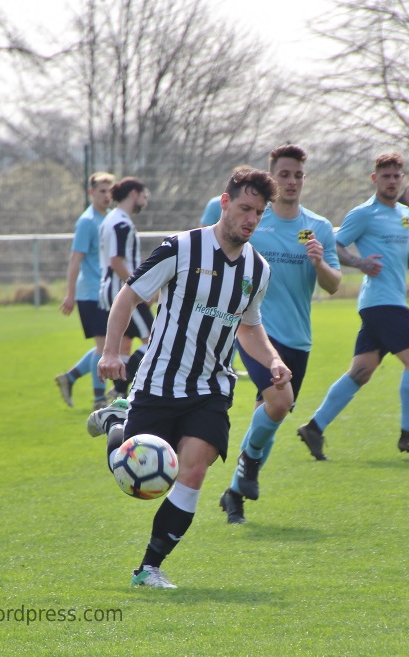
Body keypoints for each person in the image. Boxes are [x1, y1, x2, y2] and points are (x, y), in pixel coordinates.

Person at [96, 167, 290, 589]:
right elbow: (128, 296)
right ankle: (116, 423)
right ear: (225, 202)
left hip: (211, 387)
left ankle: (149, 568)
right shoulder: (181, 248)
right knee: (132, 477)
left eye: (259, 213)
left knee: (194, 470)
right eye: (245, 208)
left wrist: (273, 360)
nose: (251, 219)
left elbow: (249, 327)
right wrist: (111, 352)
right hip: (158, 381)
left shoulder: (257, 270)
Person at [218, 144, 341, 525]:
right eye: (284, 174)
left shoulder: (317, 228)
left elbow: (334, 285)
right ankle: (248, 469)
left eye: (298, 175)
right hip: (255, 330)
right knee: (279, 401)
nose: (291, 182)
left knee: (271, 413)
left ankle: (235, 493)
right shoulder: (254, 220)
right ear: (272, 177)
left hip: (298, 338)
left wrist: (319, 263)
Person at [296, 153, 409, 460]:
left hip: (387, 301)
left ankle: (314, 427)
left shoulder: (405, 215)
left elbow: (403, 262)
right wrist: (359, 262)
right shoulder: (364, 213)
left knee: (361, 371)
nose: (391, 181)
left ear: (402, 179)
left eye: (396, 176)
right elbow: (335, 244)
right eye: (385, 176)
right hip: (382, 303)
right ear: (375, 179)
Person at [55, 172, 115, 410]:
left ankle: (69, 378)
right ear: (91, 193)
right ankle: (99, 399)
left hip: (107, 292)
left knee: (107, 345)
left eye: (110, 191)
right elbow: (75, 259)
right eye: (102, 191)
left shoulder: (109, 218)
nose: (107, 196)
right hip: (90, 292)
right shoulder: (87, 222)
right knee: (104, 346)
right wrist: (70, 294)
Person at [98, 177, 154, 398]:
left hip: (109, 289)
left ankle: (119, 394)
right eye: (144, 196)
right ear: (133, 194)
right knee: (155, 340)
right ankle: (123, 387)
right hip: (121, 291)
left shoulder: (110, 218)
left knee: (125, 345)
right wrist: (140, 290)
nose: (145, 201)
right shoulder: (121, 223)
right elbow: (117, 261)